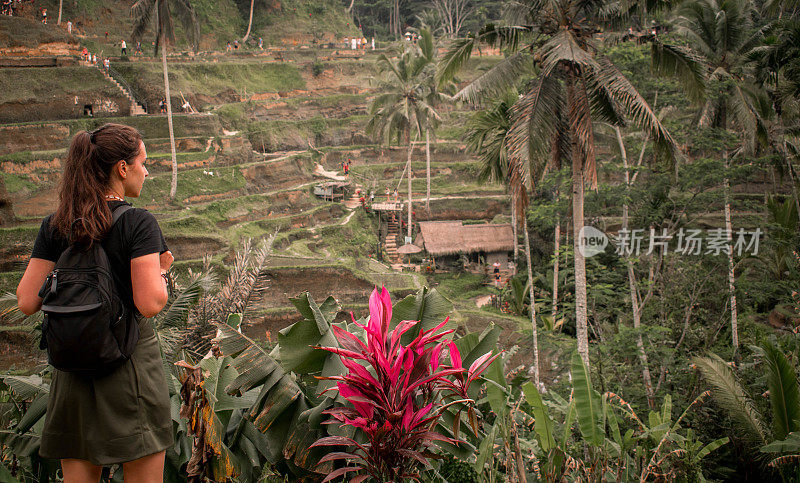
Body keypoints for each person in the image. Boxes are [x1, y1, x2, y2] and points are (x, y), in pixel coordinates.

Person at [16, 123, 173, 482]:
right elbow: (149, 303)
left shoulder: (57, 224)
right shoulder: (137, 222)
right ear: (122, 167)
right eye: (143, 163)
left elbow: (26, 300)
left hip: (72, 371)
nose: (146, 171)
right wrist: (162, 272)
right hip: (128, 366)